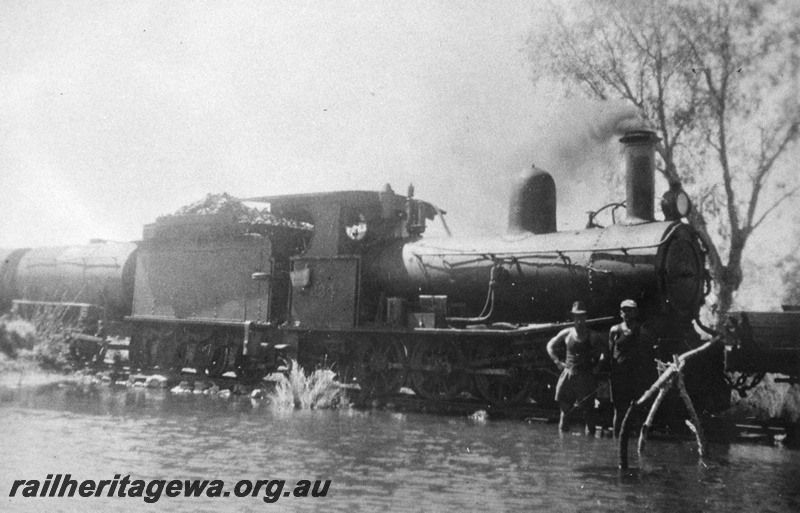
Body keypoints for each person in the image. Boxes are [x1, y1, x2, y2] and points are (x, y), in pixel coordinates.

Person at [547, 301, 605, 434]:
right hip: (569, 376)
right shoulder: (567, 333)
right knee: (565, 414)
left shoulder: (592, 335)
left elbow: (605, 352)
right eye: (577, 317)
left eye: (582, 317)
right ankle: (564, 447)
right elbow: (549, 345)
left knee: (589, 416)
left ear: (586, 318)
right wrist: (557, 362)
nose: (579, 320)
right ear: (573, 318)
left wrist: (599, 366)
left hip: (586, 377)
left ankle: (589, 449)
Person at [606, 299, 658, 438]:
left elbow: (648, 353)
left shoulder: (643, 331)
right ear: (620, 313)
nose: (627, 313)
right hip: (619, 376)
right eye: (624, 310)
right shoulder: (615, 330)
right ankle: (617, 441)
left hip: (636, 376)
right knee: (619, 410)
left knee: (637, 408)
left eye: (630, 310)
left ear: (635, 312)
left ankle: (638, 442)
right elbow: (610, 352)